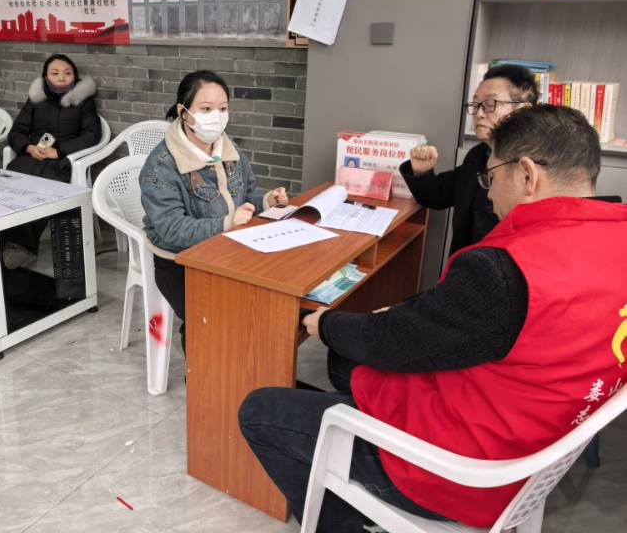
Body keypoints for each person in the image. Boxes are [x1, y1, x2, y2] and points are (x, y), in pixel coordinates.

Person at [240, 104, 627, 532]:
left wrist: (326, 324)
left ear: (527, 175)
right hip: (529, 442)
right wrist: (395, 321)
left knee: (260, 410)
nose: (488, 195)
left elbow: (393, 342)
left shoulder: (508, 270)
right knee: (346, 359)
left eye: (491, 178)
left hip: (460, 474)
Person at [140, 70, 288, 350]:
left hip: (228, 248)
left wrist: (266, 201)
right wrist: (226, 223)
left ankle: (248, 365)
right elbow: (171, 230)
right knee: (209, 316)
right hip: (180, 262)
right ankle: (206, 373)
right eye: (206, 109)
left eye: (222, 109)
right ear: (183, 112)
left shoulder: (229, 150)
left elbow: (245, 197)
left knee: (265, 300)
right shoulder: (161, 166)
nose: (216, 117)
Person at [400, 64, 538, 256]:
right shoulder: (479, 154)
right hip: (463, 263)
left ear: (522, 111)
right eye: (476, 105)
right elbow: (438, 196)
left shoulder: (533, 168)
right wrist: (422, 172)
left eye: (490, 104)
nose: (479, 114)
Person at [2, 54, 100, 268]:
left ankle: (22, 246)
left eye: (67, 73)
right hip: (32, 156)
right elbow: (16, 132)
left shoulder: (83, 101)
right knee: (13, 182)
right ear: (46, 77)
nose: (61, 78)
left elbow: (92, 134)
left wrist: (60, 151)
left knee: (42, 188)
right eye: (55, 73)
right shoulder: (36, 99)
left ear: (75, 76)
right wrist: (28, 147)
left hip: (60, 161)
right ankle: (4, 239)